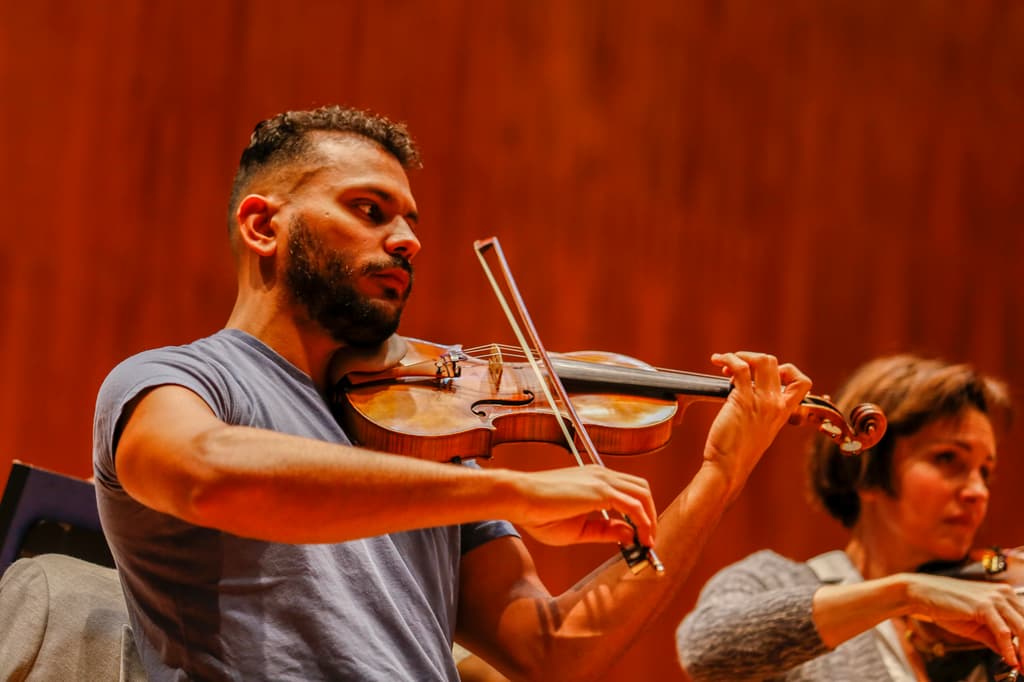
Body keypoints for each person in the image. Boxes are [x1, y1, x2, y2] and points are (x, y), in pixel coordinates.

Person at [92, 104, 812, 681]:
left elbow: (552, 651)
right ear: (262, 226)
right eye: (370, 211)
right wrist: (514, 494)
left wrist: (720, 477)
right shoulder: (177, 381)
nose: (407, 239)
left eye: (409, 220)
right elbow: (209, 475)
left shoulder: (424, 434)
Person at [676, 354, 1023, 681]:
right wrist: (908, 594)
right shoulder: (775, 581)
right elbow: (706, 650)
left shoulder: (993, 593)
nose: (978, 491)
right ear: (867, 472)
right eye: (948, 459)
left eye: (985, 472)